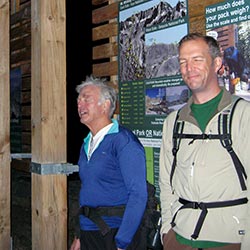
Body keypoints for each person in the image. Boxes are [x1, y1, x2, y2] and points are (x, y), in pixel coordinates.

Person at [159, 33, 250, 250]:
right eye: (183, 62)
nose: (189, 68)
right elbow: (165, 183)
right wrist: (166, 232)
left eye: (197, 59)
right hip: (179, 239)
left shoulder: (243, 115)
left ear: (217, 63)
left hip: (229, 241)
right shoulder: (173, 122)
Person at [70, 75, 148, 250]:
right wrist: (79, 235)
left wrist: (122, 242)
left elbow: (138, 194)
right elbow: (87, 192)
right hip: (89, 231)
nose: (79, 104)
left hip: (115, 232)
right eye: (78, 100)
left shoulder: (123, 141)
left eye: (86, 99)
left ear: (105, 105)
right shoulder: (87, 144)